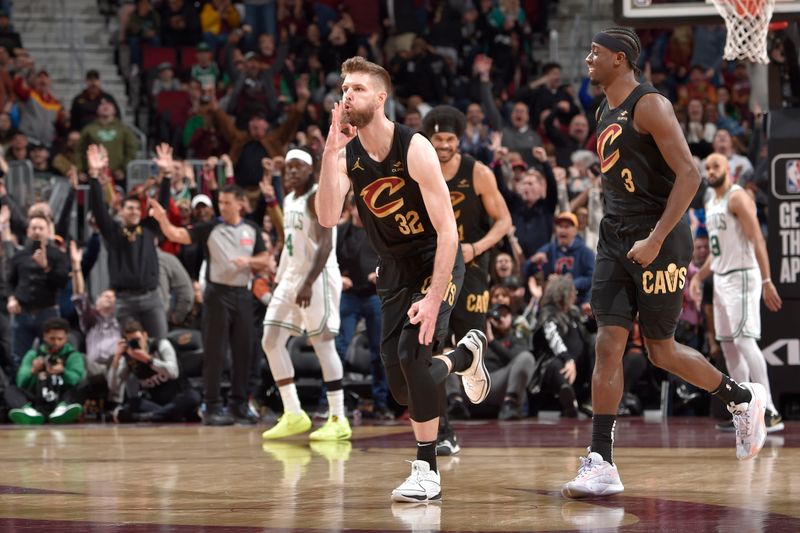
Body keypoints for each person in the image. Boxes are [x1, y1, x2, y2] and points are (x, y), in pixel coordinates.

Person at [562, 27, 767, 499]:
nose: (588, 59)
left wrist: (655, 239)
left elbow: (691, 174)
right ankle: (601, 462)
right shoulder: (603, 108)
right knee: (608, 345)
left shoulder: (649, 105)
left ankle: (740, 399)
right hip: (615, 236)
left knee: (661, 350)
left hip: (661, 235)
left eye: (595, 53)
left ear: (620, 59)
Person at [316, 56, 489, 503]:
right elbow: (327, 215)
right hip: (392, 270)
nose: (346, 95)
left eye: (355, 88)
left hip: (435, 259)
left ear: (380, 96)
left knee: (414, 353)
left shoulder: (414, 147)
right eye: (343, 88)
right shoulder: (348, 154)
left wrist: (433, 297)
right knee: (400, 387)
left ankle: (427, 469)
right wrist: (330, 150)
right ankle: (463, 357)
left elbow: (448, 231)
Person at [421, 105, 512, 456]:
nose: (443, 144)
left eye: (449, 139)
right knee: (429, 347)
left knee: (473, 339)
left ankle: (465, 364)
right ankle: (443, 430)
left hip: (472, 268)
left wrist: (477, 247)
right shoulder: (419, 170)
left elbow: (503, 221)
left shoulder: (478, 172)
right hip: (433, 268)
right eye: (438, 138)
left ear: (458, 140)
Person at [150, 183, 271, 425]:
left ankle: (239, 405)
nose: (222, 206)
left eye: (227, 202)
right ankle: (212, 406)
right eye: (221, 202)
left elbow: (265, 259)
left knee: (243, 352)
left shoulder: (251, 229)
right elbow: (177, 235)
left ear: (240, 204)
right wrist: (163, 220)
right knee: (215, 353)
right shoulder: (210, 228)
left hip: (243, 294)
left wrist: (247, 261)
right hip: (217, 295)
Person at [260, 148, 349, 441]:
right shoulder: (289, 198)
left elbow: (326, 245)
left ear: (311, 170)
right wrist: (281, 279)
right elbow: (290, 242)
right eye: (287, 168)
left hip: (318, 275)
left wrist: (309, 282)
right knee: (271, 339)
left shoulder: (317, 196)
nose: (291, 172)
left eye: (297, 167)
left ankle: (338, 417)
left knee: (322, 342)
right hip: (291, 275)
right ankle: (294, 413)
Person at [689, 153, 783, 432]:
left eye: (716, 166)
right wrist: (699, 279)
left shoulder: (737, 197)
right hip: (721, 279)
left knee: (744, 342)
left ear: (728, 169)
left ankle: (770, 412)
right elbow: (716, 253)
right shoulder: (710, 199)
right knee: (729, 346)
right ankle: (744, 411)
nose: (710, 171)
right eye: (707, 167)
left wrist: (767, 280)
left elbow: (757, 239)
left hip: (743, 276)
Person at [87, 144, 171, 341]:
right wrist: (93, 176)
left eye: (136, 208)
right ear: (121, 211)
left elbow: (163, 205)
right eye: (129, 208)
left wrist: (166, 175)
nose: (134, 211)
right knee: (128, 348)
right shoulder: (113, 232)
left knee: (161, 344)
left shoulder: (149, 228)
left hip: (151, 297)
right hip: (124, 300)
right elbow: (99, 210)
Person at [109, 319, 200, 423]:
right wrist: (116, 358)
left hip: (178, 399)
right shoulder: (128, 358)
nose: (135, 344)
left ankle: (145, 417)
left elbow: (173, 373)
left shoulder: (161, 345)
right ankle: (169, 415)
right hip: (156, 403)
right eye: (131, 341)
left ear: (145, 336)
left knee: (193, 397)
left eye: (137, 340)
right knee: (133, 403)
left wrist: (149, 360)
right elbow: (113, 388)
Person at [6, 317, 85, 425]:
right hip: (37, 398)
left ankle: (63, 409)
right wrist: (33, 371)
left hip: (61, 396)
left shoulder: (73, 355)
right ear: (44, 337)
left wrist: (63, 372)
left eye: (60, 339)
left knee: (83, 385)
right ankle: (28, 412)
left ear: (66, 338)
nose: (56, 342)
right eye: (52, 338)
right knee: (10, 390)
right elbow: (20, 381)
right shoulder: (33, 354)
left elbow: (76, 378)